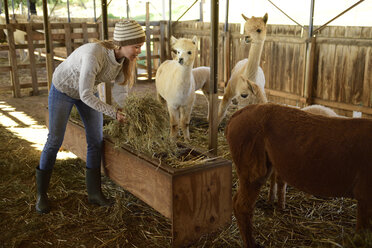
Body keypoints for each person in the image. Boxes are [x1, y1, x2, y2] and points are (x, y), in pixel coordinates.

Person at [36, 20, 145, 214]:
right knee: (55, 140)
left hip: (87, 90)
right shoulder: (94, 54)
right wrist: (113, 113)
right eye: (136, 46)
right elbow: (84, 94)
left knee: (96, 140)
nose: (139, 51)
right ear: (122, 43)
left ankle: (94, 193)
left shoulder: (124, 61)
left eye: (140, 47)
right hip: (64, 89)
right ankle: (41, 195)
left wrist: (125, 110)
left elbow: (121, 91)